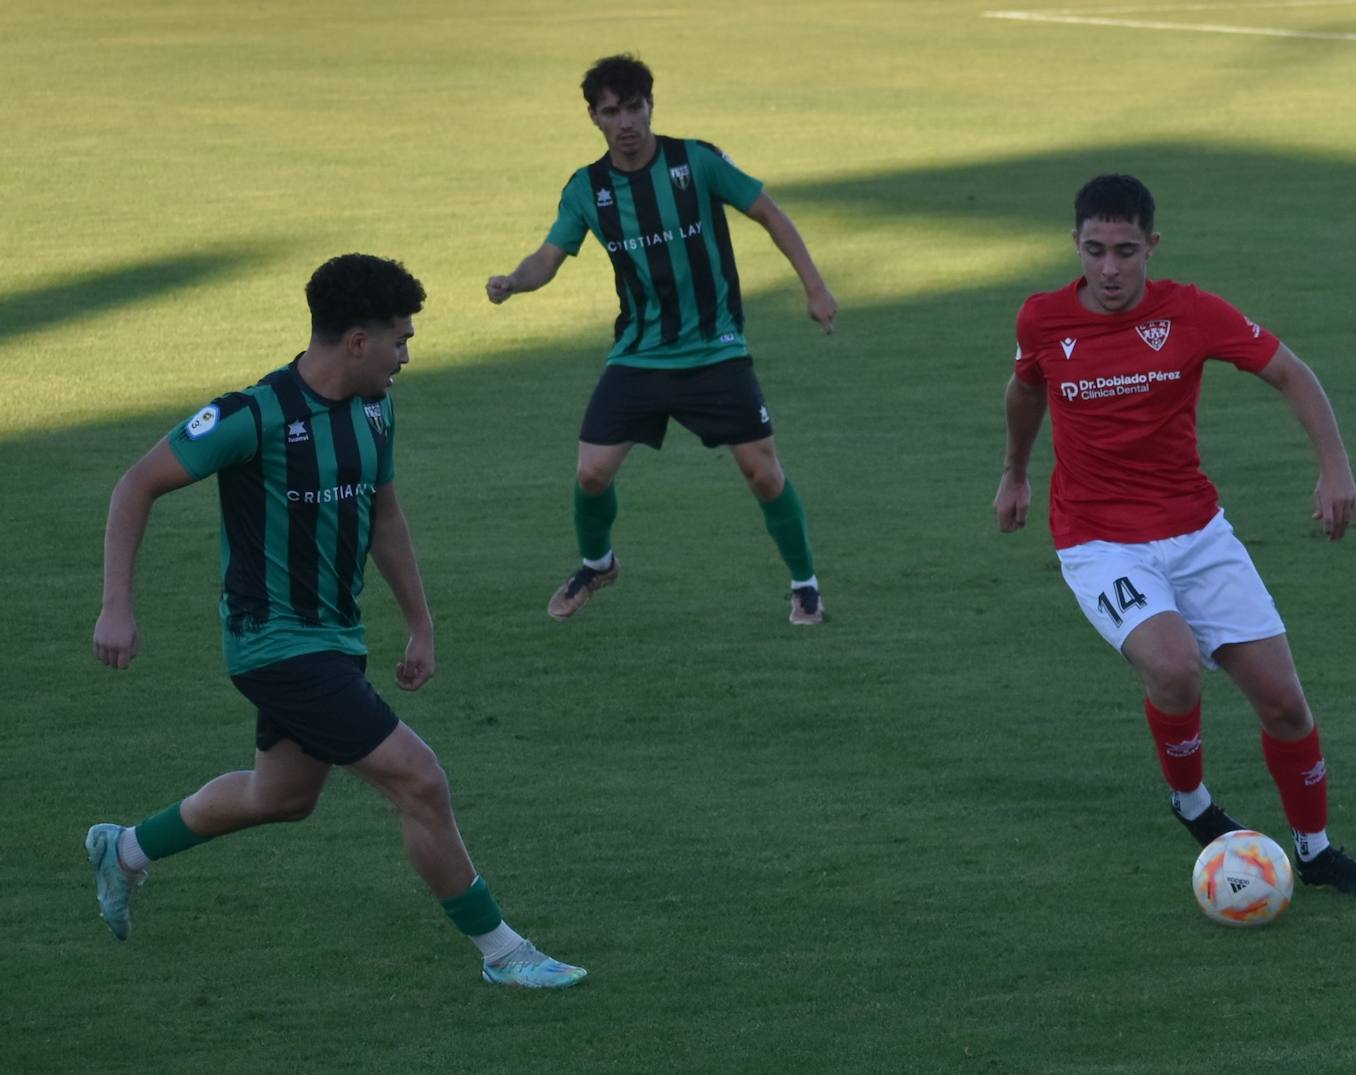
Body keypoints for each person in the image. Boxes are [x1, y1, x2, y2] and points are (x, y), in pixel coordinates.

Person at [87, 253, 588, 986]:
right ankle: (504, 953)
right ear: (357, 341)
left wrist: (420, 623)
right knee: (420, 780)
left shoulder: (376, 409)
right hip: (273, 643)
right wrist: (116, 604)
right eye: (399, 340)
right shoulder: (252, 415)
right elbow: (137, 484)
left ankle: (125, 850)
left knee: (281, 796)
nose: (406, 356)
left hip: (334, 637)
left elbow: (384, 515)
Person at [994, 174, 1356, 896]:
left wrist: (1335, 468)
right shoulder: (1042, 319)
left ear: (1152, 246)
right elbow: (1026, 390)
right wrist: (1015, 473)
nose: (1109, 269)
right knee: (1172, 667)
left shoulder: (1191, 313)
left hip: (1197, 533)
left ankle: (1316, 851)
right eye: (1095, 250)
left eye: (1125, 251)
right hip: (1098, 540)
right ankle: (1193, 803)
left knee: (1285, 703)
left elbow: (1289, 372)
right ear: (1075, 244)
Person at [486, 54, 838, 625]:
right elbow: (548, 258)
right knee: (591, 473)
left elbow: (769, 213)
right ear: (594, 118)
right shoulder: (587, 189)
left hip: (715, 349)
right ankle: (597, 565)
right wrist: (514, 282)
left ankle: (806, 585)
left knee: (763, 473)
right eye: (610, 112)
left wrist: (815, 287)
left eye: (633, 107)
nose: (625, 122)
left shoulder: (696, 161)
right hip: (640, 354)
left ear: (651, 105)